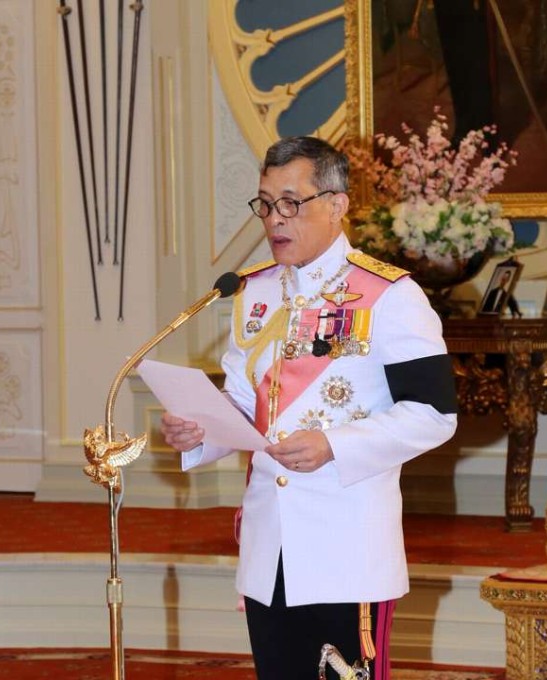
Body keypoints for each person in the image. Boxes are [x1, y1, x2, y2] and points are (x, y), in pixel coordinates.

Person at [160, 136, 458, 678]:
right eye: (266, 204)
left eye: (291, 203)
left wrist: (334, 445)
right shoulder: (254, 294)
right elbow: (245, 402)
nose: (275, 219)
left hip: (345, 546)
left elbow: (435, 414)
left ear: (337, 204)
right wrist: (201, 430)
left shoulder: (391, 296)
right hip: (268, 544)